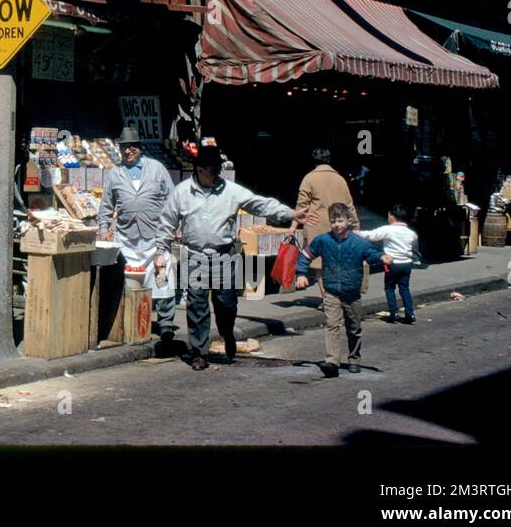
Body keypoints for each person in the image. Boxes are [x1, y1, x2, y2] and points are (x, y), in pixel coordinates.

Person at [159, 144, 314, 370]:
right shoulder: (181, 192)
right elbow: (166, 223)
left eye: (219, 170)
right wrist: (159, 252)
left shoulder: (230, 190)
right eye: (213, 170)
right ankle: (199, 352)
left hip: (224, 255)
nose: (217, 175)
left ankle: (227, 333)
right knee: (197, 306)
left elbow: (260, 204)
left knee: (226, 304)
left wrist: (289, 213)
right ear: (199, 169)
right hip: (195, 256)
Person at [96, 126, 179, 351]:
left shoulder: (157, 169)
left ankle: (165, 324)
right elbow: (106, 206)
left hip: (155, 237)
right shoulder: (115, 173)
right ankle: (131, 320)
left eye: (132, 146)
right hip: (128, 238)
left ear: (140, 148)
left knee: (163, 278)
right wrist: (103, 228)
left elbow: (171, 199)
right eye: (124, 147)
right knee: (129, 282)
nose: (128, 150)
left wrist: (174, 226)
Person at [295, 202, 391, 377]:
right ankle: (332, 362)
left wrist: (381, 257)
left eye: (339, 220)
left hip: (352, 293)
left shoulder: (359, 243)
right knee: (332, 325)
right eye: (333, 221)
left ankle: (354, 358)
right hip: (331, 291)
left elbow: (371, 254)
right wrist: (301, 273)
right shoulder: (323, 240)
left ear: (348, 220)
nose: (336, 224)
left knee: (354, 328)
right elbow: (306, 255)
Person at [288, 149, 364, 296]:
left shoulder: (309, 178)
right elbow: (349, 205)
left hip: (317, 225)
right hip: (339, 226)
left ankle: (327, 298)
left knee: (320, 264)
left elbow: (301, 206)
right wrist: (355, 226)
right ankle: (338, 295)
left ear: (314, 161)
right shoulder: (340, 179)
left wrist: (293, 226)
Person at [362, 204, 421, 324]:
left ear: (392, 217)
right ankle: (410, 314)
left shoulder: (387, 229)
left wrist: (356, 233)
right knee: (404, 288)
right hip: (406, 264)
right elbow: (414, 246)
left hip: (391, 264)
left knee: (389, 288)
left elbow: (371, 236)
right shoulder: (411, 233)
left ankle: (393, 313)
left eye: (389, 215)